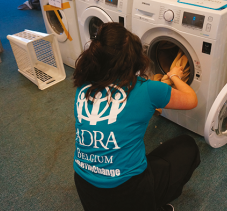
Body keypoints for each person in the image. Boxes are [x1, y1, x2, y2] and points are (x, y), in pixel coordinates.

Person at [72, 22, 201, 211]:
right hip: (128, 191)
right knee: (187, 146)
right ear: (134, 60)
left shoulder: (83, 86)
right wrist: (174, 76)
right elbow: (191, 100)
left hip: (85, 187)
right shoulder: (147, 90)